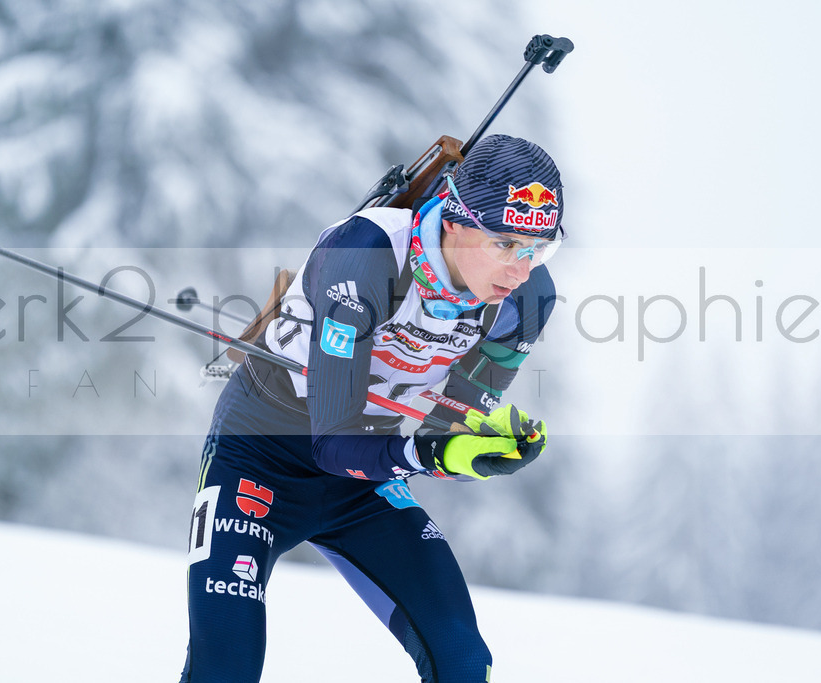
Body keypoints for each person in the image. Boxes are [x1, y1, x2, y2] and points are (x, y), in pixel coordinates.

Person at [180, 134, 565, 682]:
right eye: (505, 243)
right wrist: (436, 454)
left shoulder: (526, 300)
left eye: (539, 248)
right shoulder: (366, 255)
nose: (520, 269)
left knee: (461, 659)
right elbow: (333, 443)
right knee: (226, 667)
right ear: (454, 220)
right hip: (260, 455)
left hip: (364, 480)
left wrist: (479, 451)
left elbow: (444, 433)